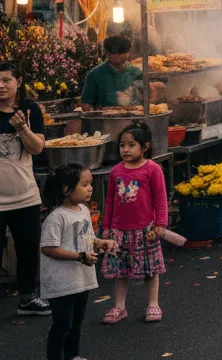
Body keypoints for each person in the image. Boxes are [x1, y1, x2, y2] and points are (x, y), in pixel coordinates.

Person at [40, 163, 114, 360]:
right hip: (62, 282)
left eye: (90, 183)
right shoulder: (56, 218)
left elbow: (87, 238)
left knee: (76, 323)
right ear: (66, 189)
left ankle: (73, 356)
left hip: (80, 279)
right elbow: (48, 248)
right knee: (62, 325)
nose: (90, 188)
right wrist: (78, 256)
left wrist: (100, 243)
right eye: (84, 184)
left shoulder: (83, 210)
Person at [99, 122, 169, 324]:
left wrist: (161, 224)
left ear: (144, 147)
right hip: (119, 230)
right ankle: (119, 307)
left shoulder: (153, 170)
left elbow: (160, 199)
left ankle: (153, 304)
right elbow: (110, 201)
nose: (126, 150)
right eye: (122, 145)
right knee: (121, 270)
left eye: (131, 145)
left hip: (146, 230)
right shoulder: (115, 171)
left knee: (150, 269)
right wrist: (106, 228)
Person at [0, 61, 49, 316]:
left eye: (6, 80)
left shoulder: (30, 110)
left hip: (24, 196)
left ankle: (28, 298)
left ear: (18, 81)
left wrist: (22, 128)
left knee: (28, 251)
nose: (1, 85)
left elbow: (37, 148)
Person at [78, 35, 142, 110]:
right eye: (113, 53)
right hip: (105, 120)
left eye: (121, 52)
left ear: (128, 53)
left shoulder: (136, 73)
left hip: (135, 119)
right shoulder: (95, 74)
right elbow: (86, 105)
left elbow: (147, 100)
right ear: (107, 53)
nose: (117, 56)